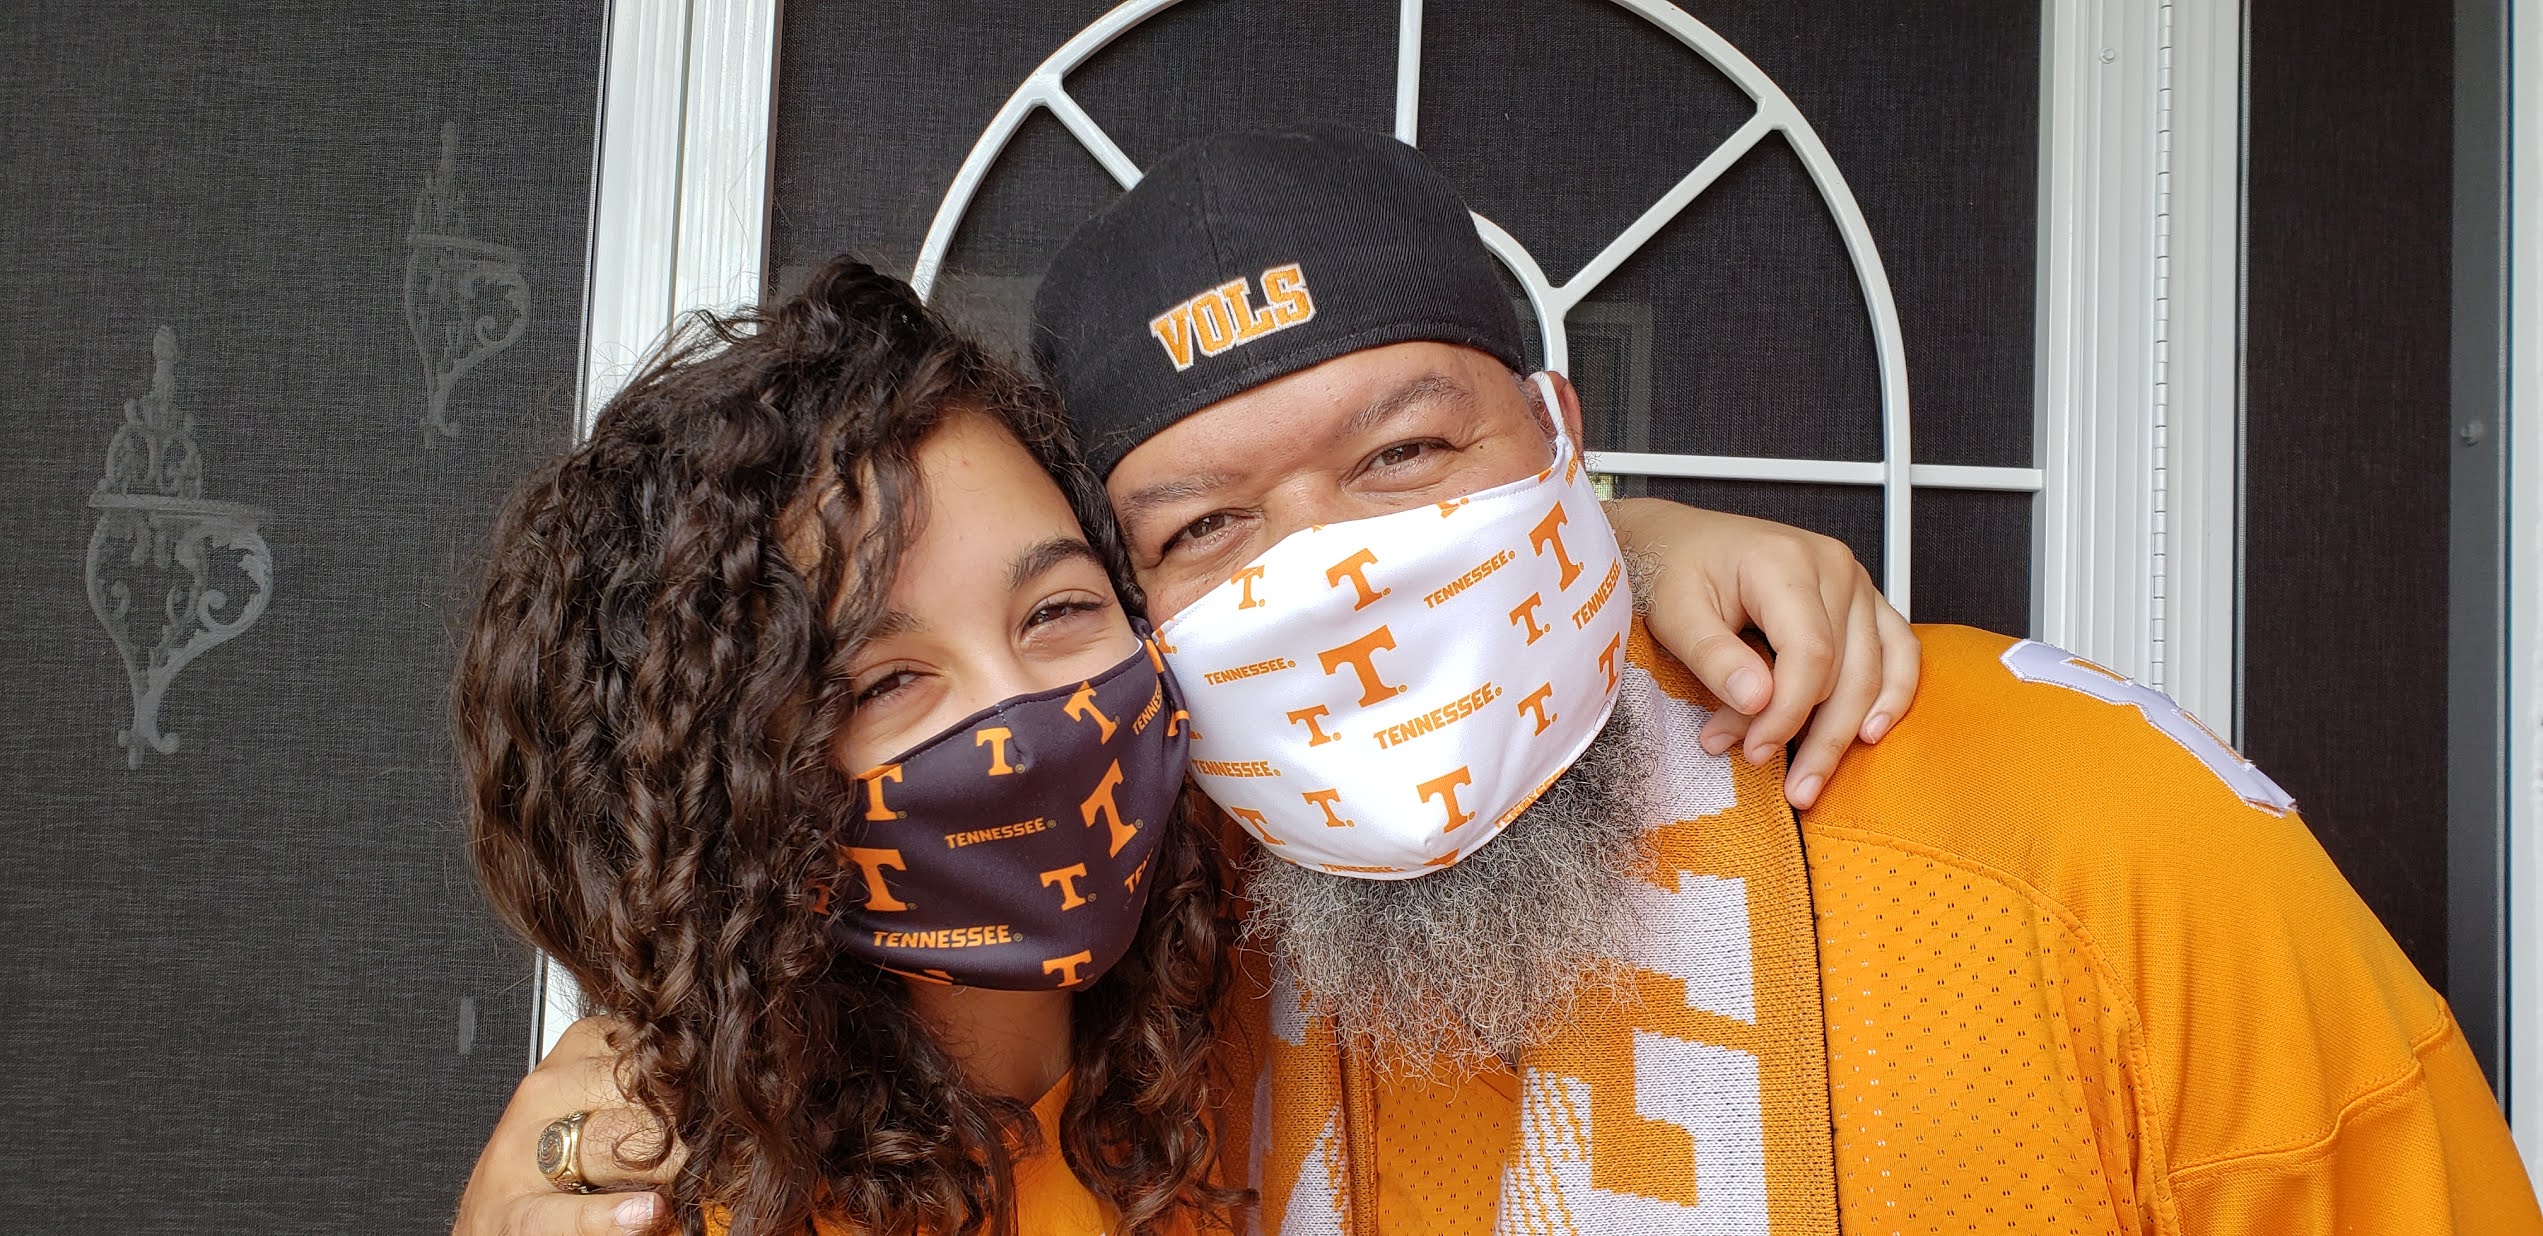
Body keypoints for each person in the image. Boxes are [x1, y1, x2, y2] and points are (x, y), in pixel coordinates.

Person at [474, 124, 2542, 1234]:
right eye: (1207, 530)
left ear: (1564, 437)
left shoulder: (2085, 831)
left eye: (1405, 458)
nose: (1340, 588)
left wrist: (1618, 559)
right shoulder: (1128, 955)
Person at [450, 256, 1919, 1233]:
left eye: (1058, 612)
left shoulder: (1244, 914)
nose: (1022, 723)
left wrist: (1621, 546)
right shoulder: (690, 1186)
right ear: (728, 783)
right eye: (884, 684)